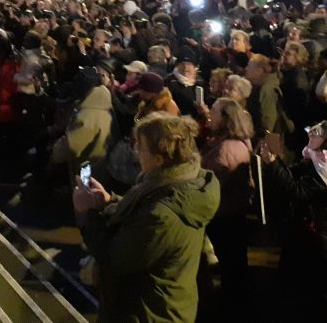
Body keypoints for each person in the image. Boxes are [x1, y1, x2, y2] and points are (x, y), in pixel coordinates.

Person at [72, 113, 220, 322]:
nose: (136, 152)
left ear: (159, 159)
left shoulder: (162, 216)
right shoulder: (182, 181)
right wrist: (110, 201)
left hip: (146, 312)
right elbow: (145, 211)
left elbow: (114, 258)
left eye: (140, 147)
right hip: (163, 305)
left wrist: (88, 215)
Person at [261, 120, 327, 320]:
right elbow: (292, 176)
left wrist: (274, 164)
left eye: (316, 134)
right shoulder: (315, 159)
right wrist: (275, 161)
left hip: (318, 234)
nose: (310, 136)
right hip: (305, 230)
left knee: (318, 287)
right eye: (311, 132)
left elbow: (298, 191)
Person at [201, 98, 254, 317]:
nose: (210, 115)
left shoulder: (224, 150)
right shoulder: (238, 142)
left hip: (224, 215)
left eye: (214, 112)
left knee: (231, 266)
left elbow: (209, 183)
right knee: (235, 263)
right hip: (234, 212)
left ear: (226, 119)